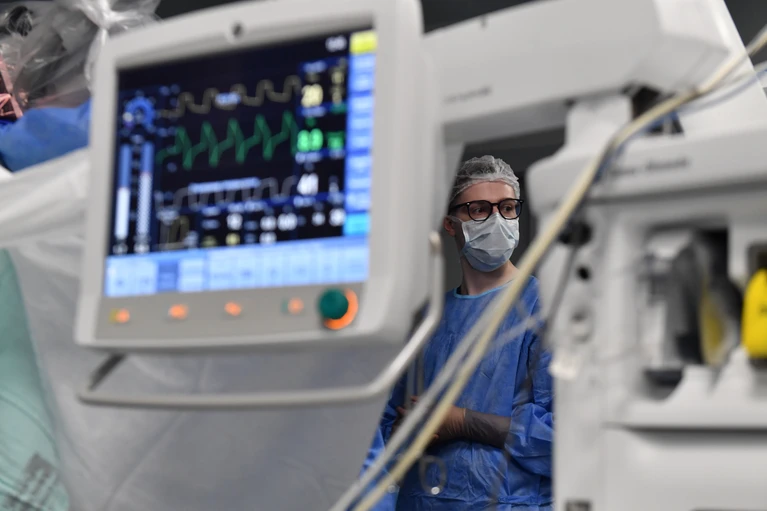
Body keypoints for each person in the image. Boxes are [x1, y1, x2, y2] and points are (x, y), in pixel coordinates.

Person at [380, 156, 553, 510]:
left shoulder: (544, 308)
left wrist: (461, 422)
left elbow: (566, 436)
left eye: (507, 208)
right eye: (479, 210)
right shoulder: (428, 321)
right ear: (450, 224)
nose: (497, 220)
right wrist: (404, 435)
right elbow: (384, 430)